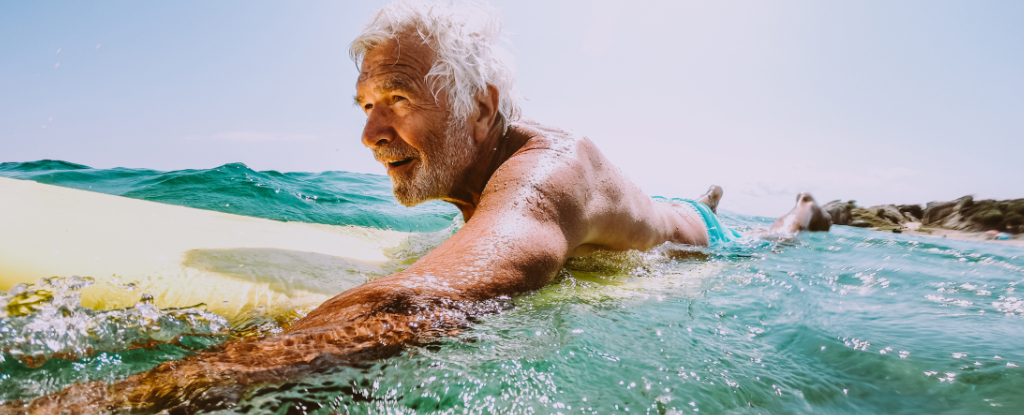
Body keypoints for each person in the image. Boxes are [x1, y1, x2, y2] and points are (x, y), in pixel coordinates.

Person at [10, 2, 830, 413]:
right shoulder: (489, 173)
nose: (370, 133)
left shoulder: (546, 178)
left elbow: (419, 303)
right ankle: (698, 196)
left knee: (763, 236)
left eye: (397, 99)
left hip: (705, 243)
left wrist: (126, 397)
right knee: (669, 202)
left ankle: (793, 211)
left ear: (483, 105)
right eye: (365, 104)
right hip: (622, 208)